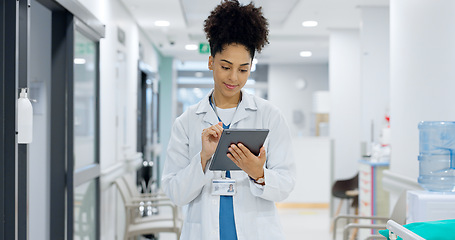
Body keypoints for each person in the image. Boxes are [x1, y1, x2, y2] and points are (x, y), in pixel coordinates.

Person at [161, 1, 296, 239]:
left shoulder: (269, 115)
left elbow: (285, 184)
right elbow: (175, 193)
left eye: (243, 69)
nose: (234, 77)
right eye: (226, 66)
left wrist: (258, 173)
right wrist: (202, 159)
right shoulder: (187, 121)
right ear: (211, 61)